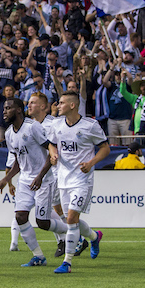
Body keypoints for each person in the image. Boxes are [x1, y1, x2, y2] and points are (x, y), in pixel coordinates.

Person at [0, 98, 67, 267]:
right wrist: (6, 179)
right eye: (4, 108)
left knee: (43, 223)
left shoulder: (33, 127)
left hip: (44, 179)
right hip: (25, 180)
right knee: (20, 217)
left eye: (8, 108)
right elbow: (18, 161)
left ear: (19, 110)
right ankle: (39, 256)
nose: (4, 111)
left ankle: (73, 231)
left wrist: (40, 176)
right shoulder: (9, 133)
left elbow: (50, 152)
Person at [49, 91, 110, 274]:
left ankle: (67, 263)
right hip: (63, 178)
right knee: (71, 220)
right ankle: (93, 236)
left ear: (72, 105)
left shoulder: (90, 126)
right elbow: (51, 143)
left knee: (71, 219)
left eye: (61, 103)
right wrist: (53, 153)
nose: (58, 106)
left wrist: (91, 163)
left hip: (82, 179)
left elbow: (105, 148)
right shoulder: (57, 124)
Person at [26, 92, 67, 257]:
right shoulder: (30, 126)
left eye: (33, 102)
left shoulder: (54, 123)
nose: (28, 105)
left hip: (56, 172)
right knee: (52, 209)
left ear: (44, 106)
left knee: (51, 209)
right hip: (43, 173)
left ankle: (67, 239)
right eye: (28, 102)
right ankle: (72, 238)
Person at [120, 63, 145, 145]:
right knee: (138, 156)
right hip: (138, 131)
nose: (144, 87)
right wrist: (123, 78)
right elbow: (123, 91)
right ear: (139, 88)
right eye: (142, 86)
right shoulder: (135, 99)